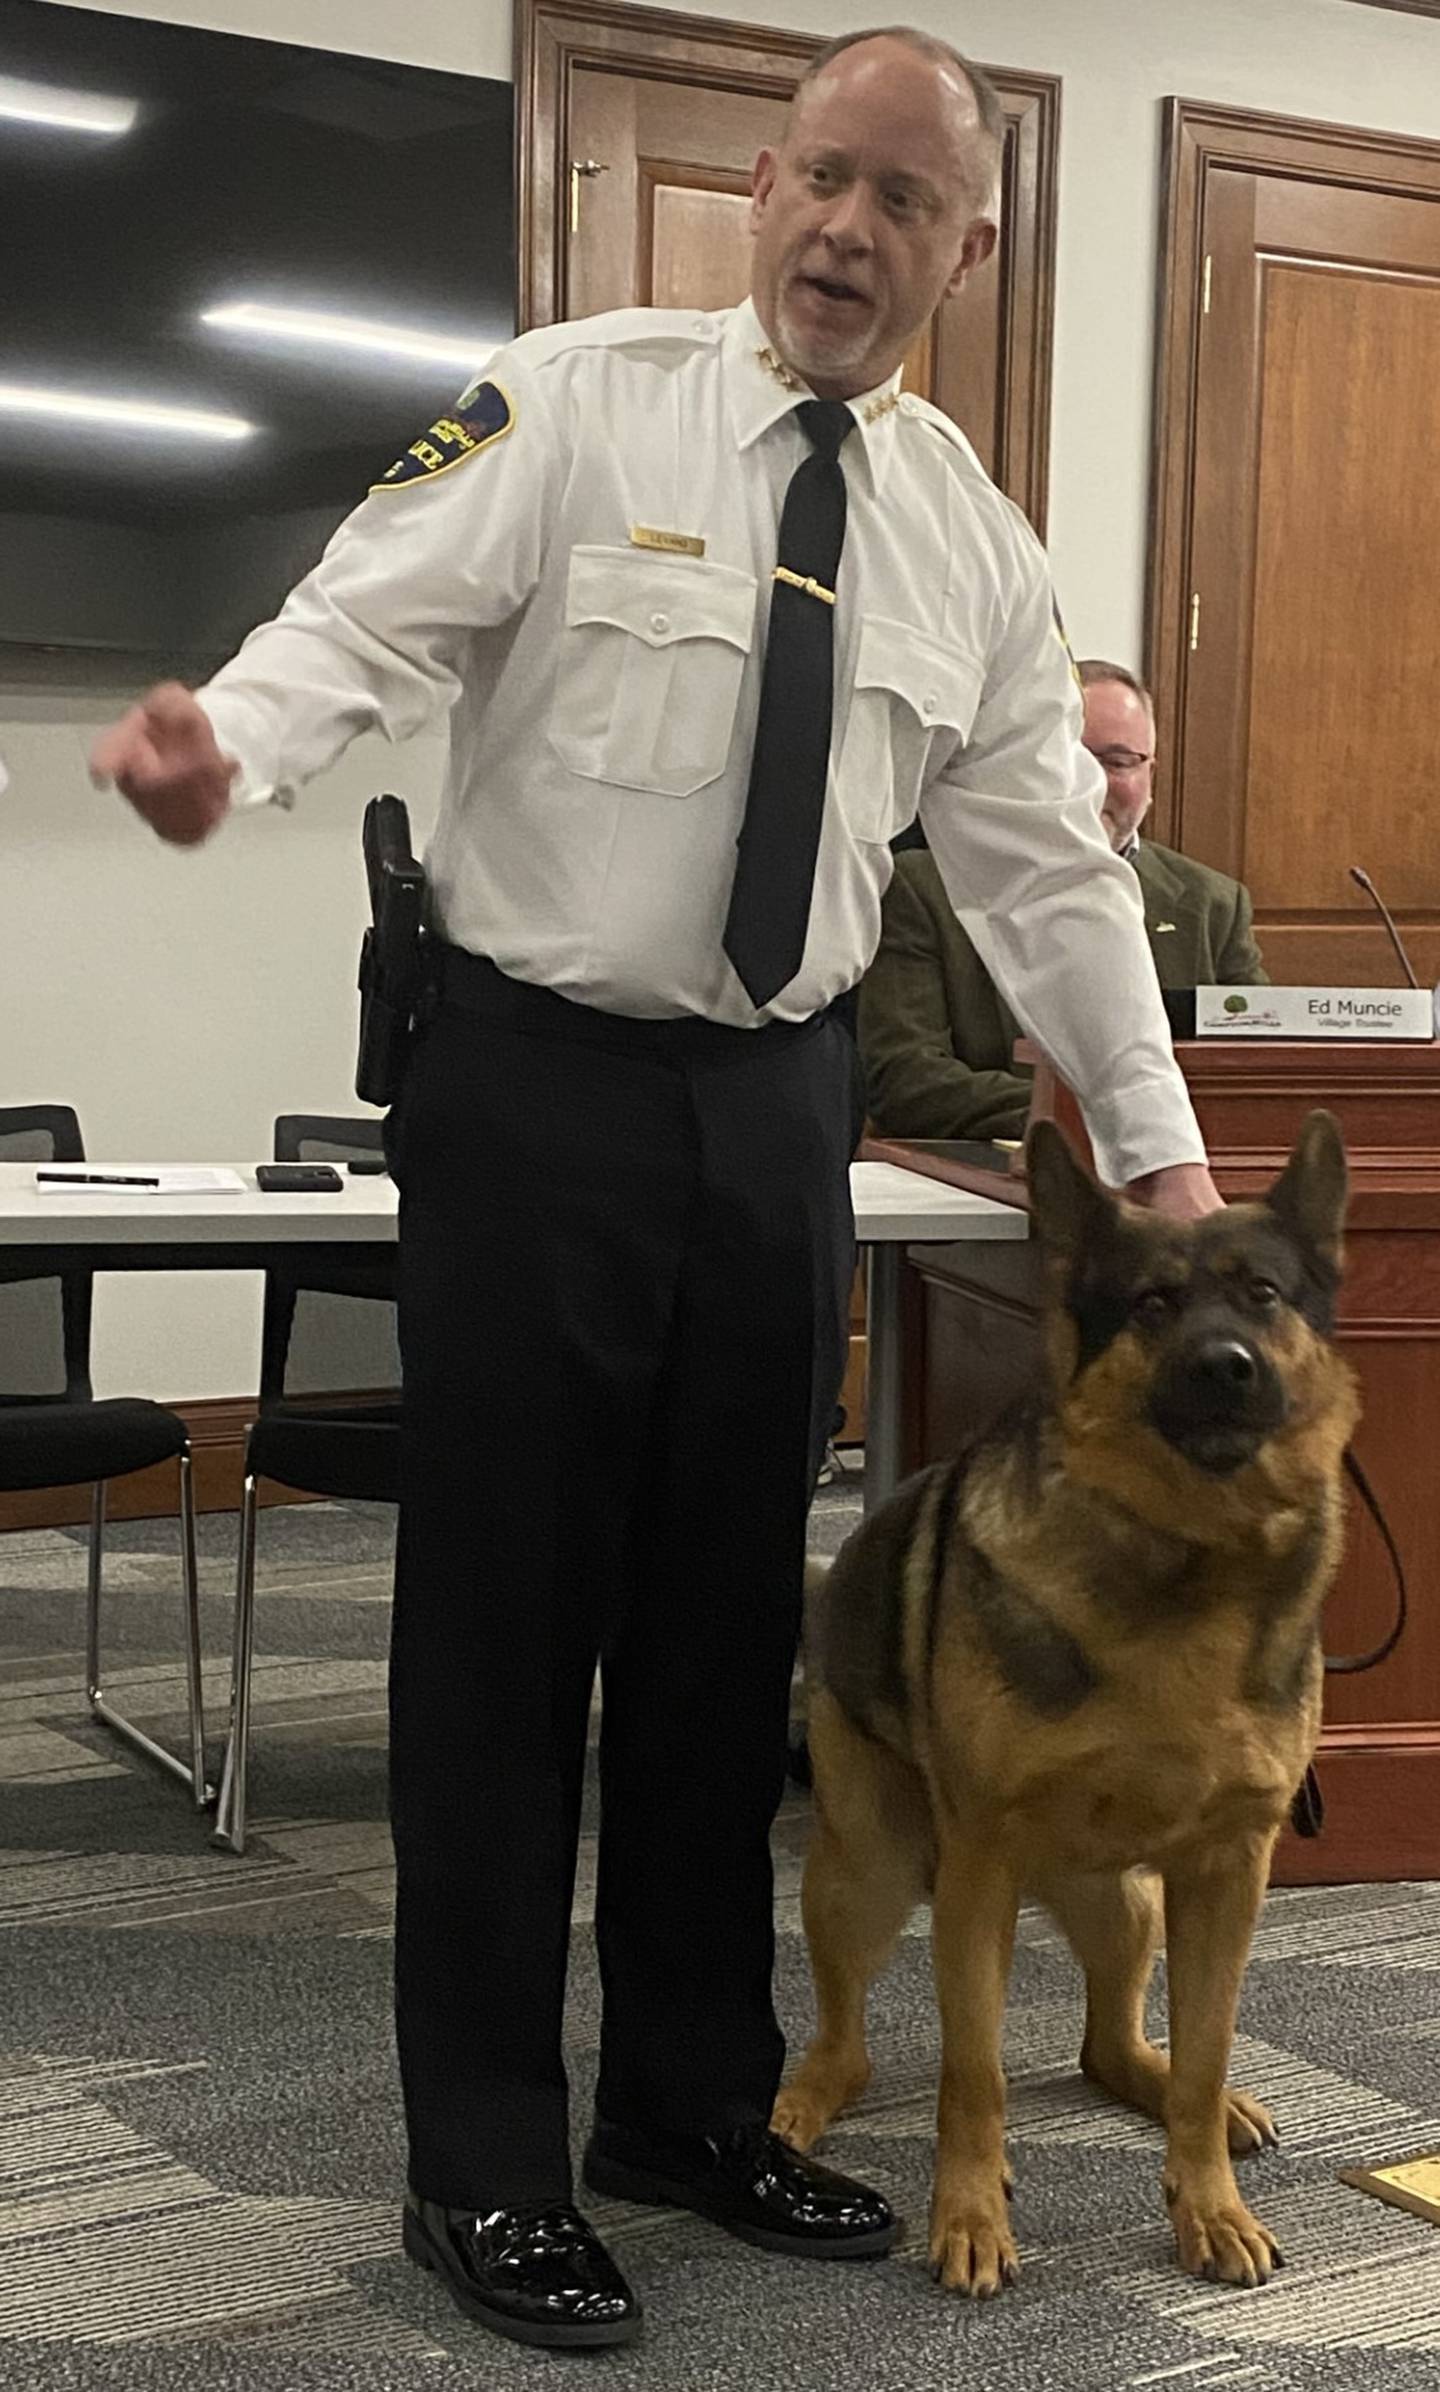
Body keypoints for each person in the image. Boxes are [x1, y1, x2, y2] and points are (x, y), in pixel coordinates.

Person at [89, 27, 1221, 2355]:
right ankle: (482, 2156)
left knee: (728, 1636)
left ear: (959, 248)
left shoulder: (969, 543)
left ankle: (686, 2097)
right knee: (503, 1641)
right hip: (534, 1089)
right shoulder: (568, 403)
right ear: (755, 194)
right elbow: (360, 620)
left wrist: (1160, 1147)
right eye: (814, 178)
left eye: (897, 203)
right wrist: (235, 738)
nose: (841, 230)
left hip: (770, 1110)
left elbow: (1046, 879)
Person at [861, 659, 1269, 1143]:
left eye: (1117, 762)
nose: (1090, 783)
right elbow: (909, 1082)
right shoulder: (921, 889)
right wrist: (1115, 1117)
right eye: (1069, 756)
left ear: (1150, 775)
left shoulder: (1213, 906)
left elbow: (1261, 1072)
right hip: (993, 1189)